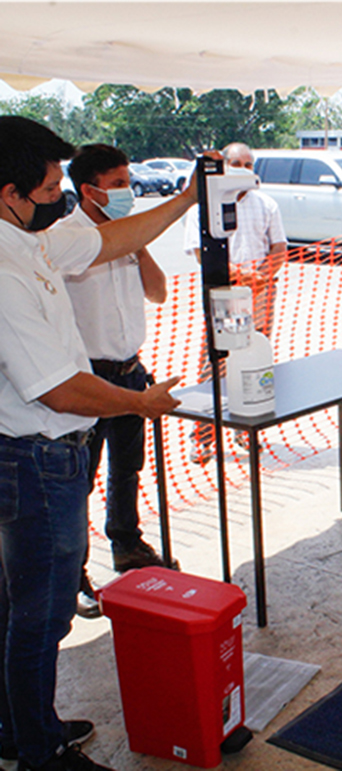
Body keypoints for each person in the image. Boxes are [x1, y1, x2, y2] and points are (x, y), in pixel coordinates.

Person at [0, 115, 191, 771]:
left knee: (23, 608)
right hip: (34, 458)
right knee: (41, 614)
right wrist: (141, 401)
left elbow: (116, 240)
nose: (62, 196)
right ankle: (36, 750)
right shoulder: (5, 267)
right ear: (11, 194)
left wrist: (190, 198)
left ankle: (24, 725)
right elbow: (57, 388)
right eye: (53, 185)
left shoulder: (32, 245)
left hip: (44, 454)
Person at [57, 145, 173, 620]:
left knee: (127, 467)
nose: (129, 191)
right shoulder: (64, 238)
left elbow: (159, 290)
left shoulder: (129, 236)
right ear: (90, 189)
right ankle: (74, 575)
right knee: (78, 482)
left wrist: (135, 242)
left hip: (132, 372)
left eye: (128, 180)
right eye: (119, 183)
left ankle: (126, 543)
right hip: (88, 377)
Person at [183, 142, 287, 463]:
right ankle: (203, 436)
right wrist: (240, 276)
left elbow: (280, 247)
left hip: (260, 296)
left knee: (254, 360)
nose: (244, 168)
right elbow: (202, 254)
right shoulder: (204, 205)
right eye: (237, 162)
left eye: (249, 163)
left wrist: (260, 277)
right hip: (226, 299)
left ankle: (246, 427)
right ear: (225, 166)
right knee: (216, 363)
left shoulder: (266, 204)